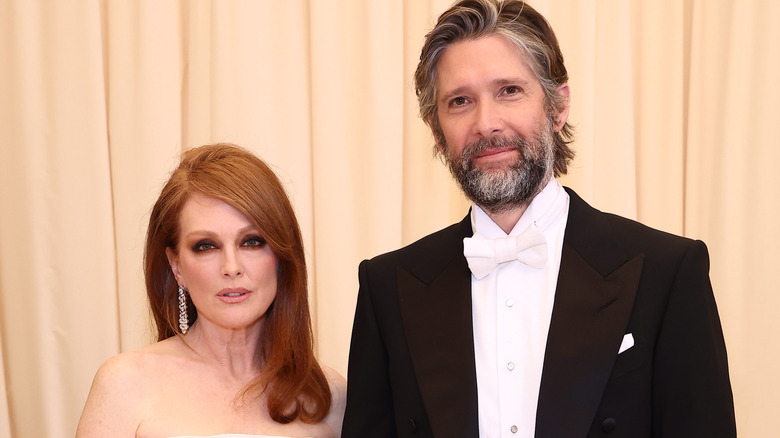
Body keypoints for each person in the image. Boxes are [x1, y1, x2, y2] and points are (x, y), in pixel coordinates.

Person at [342, 1, 735, 437]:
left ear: (557, 105)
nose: (486, 123)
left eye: (509, 90)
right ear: (436, 131)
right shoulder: (387, 287)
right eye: (460, 101)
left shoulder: (668, 271)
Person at [77, 143, 345, 438]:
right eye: (206, 246)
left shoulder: (330, 396)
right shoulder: (124, 384)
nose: (231, 267)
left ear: (282, 256)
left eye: (252, 241)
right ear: (176, 266)